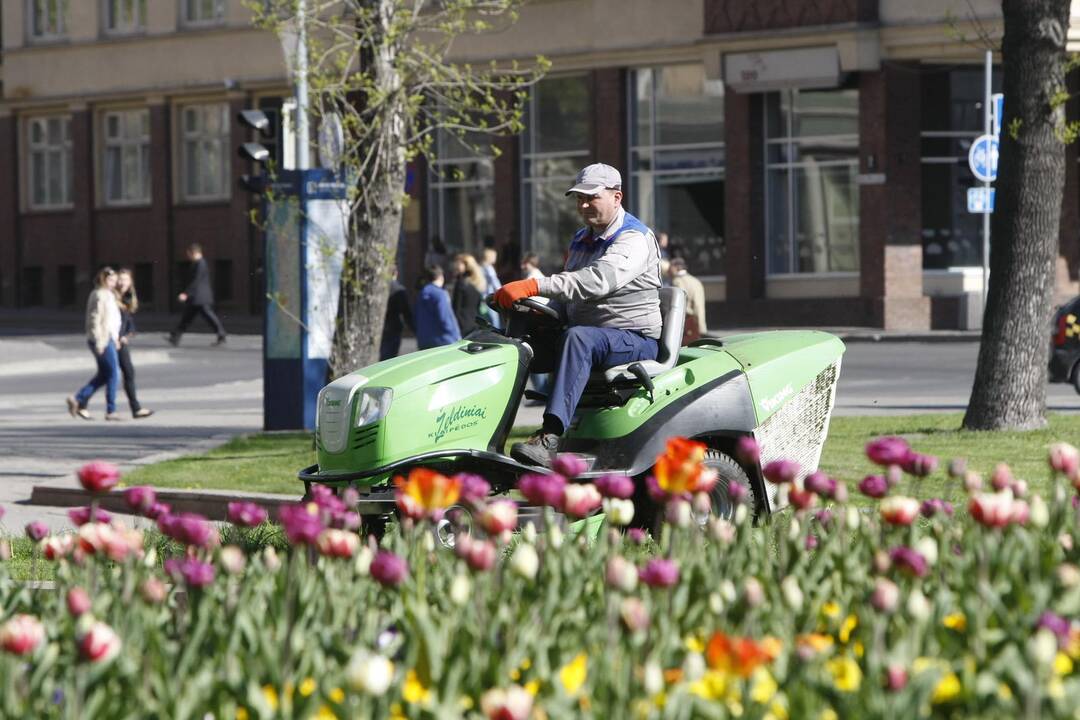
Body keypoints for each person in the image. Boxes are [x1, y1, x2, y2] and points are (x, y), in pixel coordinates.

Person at [495, 163, 662, 467]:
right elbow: (567, 297)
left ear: (617, 197)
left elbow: (595, 281)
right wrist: (529, 312)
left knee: (578, 338)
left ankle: (550, 437)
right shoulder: (581, 238)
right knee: (514, 343)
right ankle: (489, 434)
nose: (583, 206)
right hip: (589, 334)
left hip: (633, 338)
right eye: (578, 199)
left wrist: (532, 285)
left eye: (591, 198)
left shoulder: (634, 238)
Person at [66, 267, 123, 421]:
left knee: (104, 375)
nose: (114, 283)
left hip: (109, 338)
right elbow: (95, 320)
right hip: (102, 340)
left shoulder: (109, 295)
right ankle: (111, 410)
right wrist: (99, 342)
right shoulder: (99, 295)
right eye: (111, 280)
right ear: (103, 279)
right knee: (114, 374)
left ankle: (78, 399)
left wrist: (116, 337)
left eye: (115, 280)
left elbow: (112, 320)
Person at [168, 243, 227, 347]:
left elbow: (196, 281)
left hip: (200, 297)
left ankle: (221, 334)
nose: (188, 256)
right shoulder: (198, 263)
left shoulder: (201, 263)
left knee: (208, 316)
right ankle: (175, 336)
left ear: (193, 253)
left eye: (189, 254)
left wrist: (186, 294)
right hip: (196, 297)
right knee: (187, 317)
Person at [115, 268, 155, 418]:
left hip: (120, 340)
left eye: (125, 279)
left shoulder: (127, 296)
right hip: (115, 341)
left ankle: (134, 408)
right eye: (120, 279)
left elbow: (128, 319)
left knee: (122, 373)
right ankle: (133, 409)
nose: (122, 282)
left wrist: (129, 332)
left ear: (130, 282)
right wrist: (120, 336)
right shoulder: (113, 297)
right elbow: (112, 321)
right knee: (114, 374)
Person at [414, 265, 461, 350]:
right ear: (441, 276)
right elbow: (445, 318)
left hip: (424, 339)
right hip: (444, 340)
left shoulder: (421, 293)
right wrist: (456, 336)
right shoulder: (440, 294)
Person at [668, 257, 707, 344]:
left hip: (683, 322)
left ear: (676, 267)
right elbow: (699, 307)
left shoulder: (677, 281)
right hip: (695, 322)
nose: (668, 270)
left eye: (670, 267)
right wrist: (702, 328)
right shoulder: (696, 281)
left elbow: (677, 304)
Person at [380, 267, 415, 361]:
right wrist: (414, 329)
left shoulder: (379, 288)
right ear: (396, 273)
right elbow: (406, 312)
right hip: (393, 327)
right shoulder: (399, 289)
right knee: (389, 358)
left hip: (382, 327)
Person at [451, 253, 486, 337]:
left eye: (458, 263)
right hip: (475, 322)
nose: (455, 266)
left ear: (466, 265)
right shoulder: (477, 282)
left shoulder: (461, 283)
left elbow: (456, 307)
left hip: (462, 323)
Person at [479, 247, 503, 329]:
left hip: (481, 297)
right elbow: (495, 282)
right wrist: (502, 291)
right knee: (494, 321)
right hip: (489, 296)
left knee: (484, 319)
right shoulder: (489, 268)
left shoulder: (479, 267)